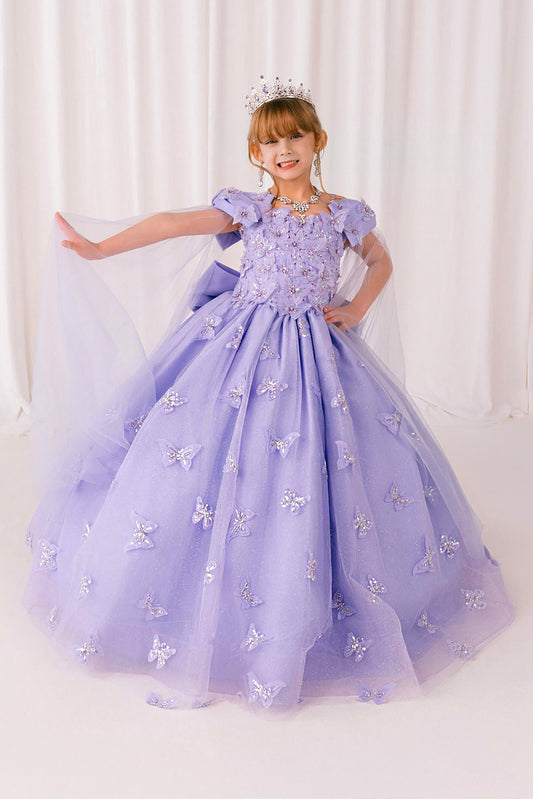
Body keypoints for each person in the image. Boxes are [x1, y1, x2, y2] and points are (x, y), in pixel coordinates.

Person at [20, 77, 514, 714]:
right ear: (256, 154)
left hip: (316, 353)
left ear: (317, 141)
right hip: (239, 345)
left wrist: (356, 306)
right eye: (270, 142)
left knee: (324, 461)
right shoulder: (251, 210)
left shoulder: (344, 214)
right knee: (214, 456)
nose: (284, 150)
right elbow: (173, 223)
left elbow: (380, 261)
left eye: (295, 137)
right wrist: (97, 247)